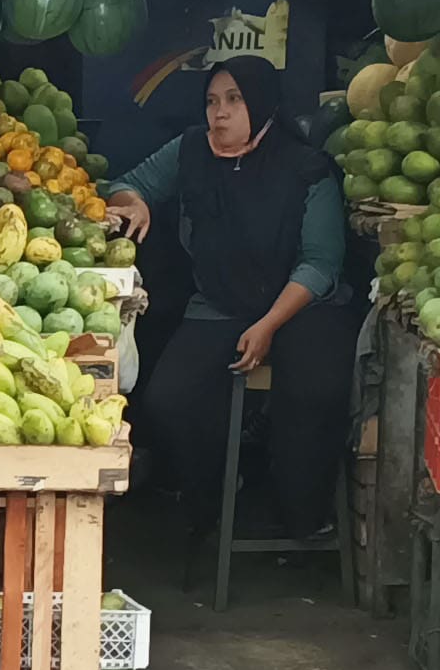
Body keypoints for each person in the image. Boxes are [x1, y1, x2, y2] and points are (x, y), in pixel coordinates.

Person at [108, 56, 362, 541]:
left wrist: (268, 325)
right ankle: (217, 498)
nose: (218, 113)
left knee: (314, 392)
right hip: (220, 303)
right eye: (211, 101)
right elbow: (127, 184)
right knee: (167, 402)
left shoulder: (307, 168)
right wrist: (134, 202)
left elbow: (320, 263)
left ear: (262, 103)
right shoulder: (189, 151)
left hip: (301, 306)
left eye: (233, 100)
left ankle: (301, 517)